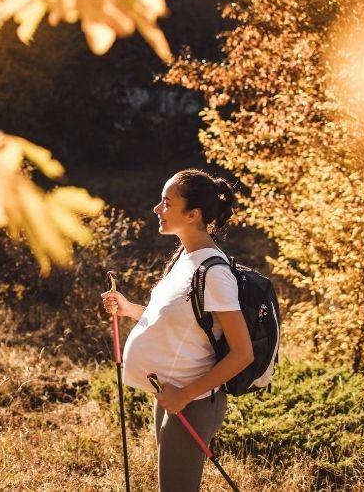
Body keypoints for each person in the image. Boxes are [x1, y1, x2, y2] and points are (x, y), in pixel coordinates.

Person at [101, 169, 253, 492]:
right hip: (171, 396)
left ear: (193, 214)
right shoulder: (185, 257)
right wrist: (128, 308)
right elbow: (172, 322)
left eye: (166, 203)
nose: (157, 209)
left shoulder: (214, 273)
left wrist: (183, 395)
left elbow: (243, 353)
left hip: (192, 402)